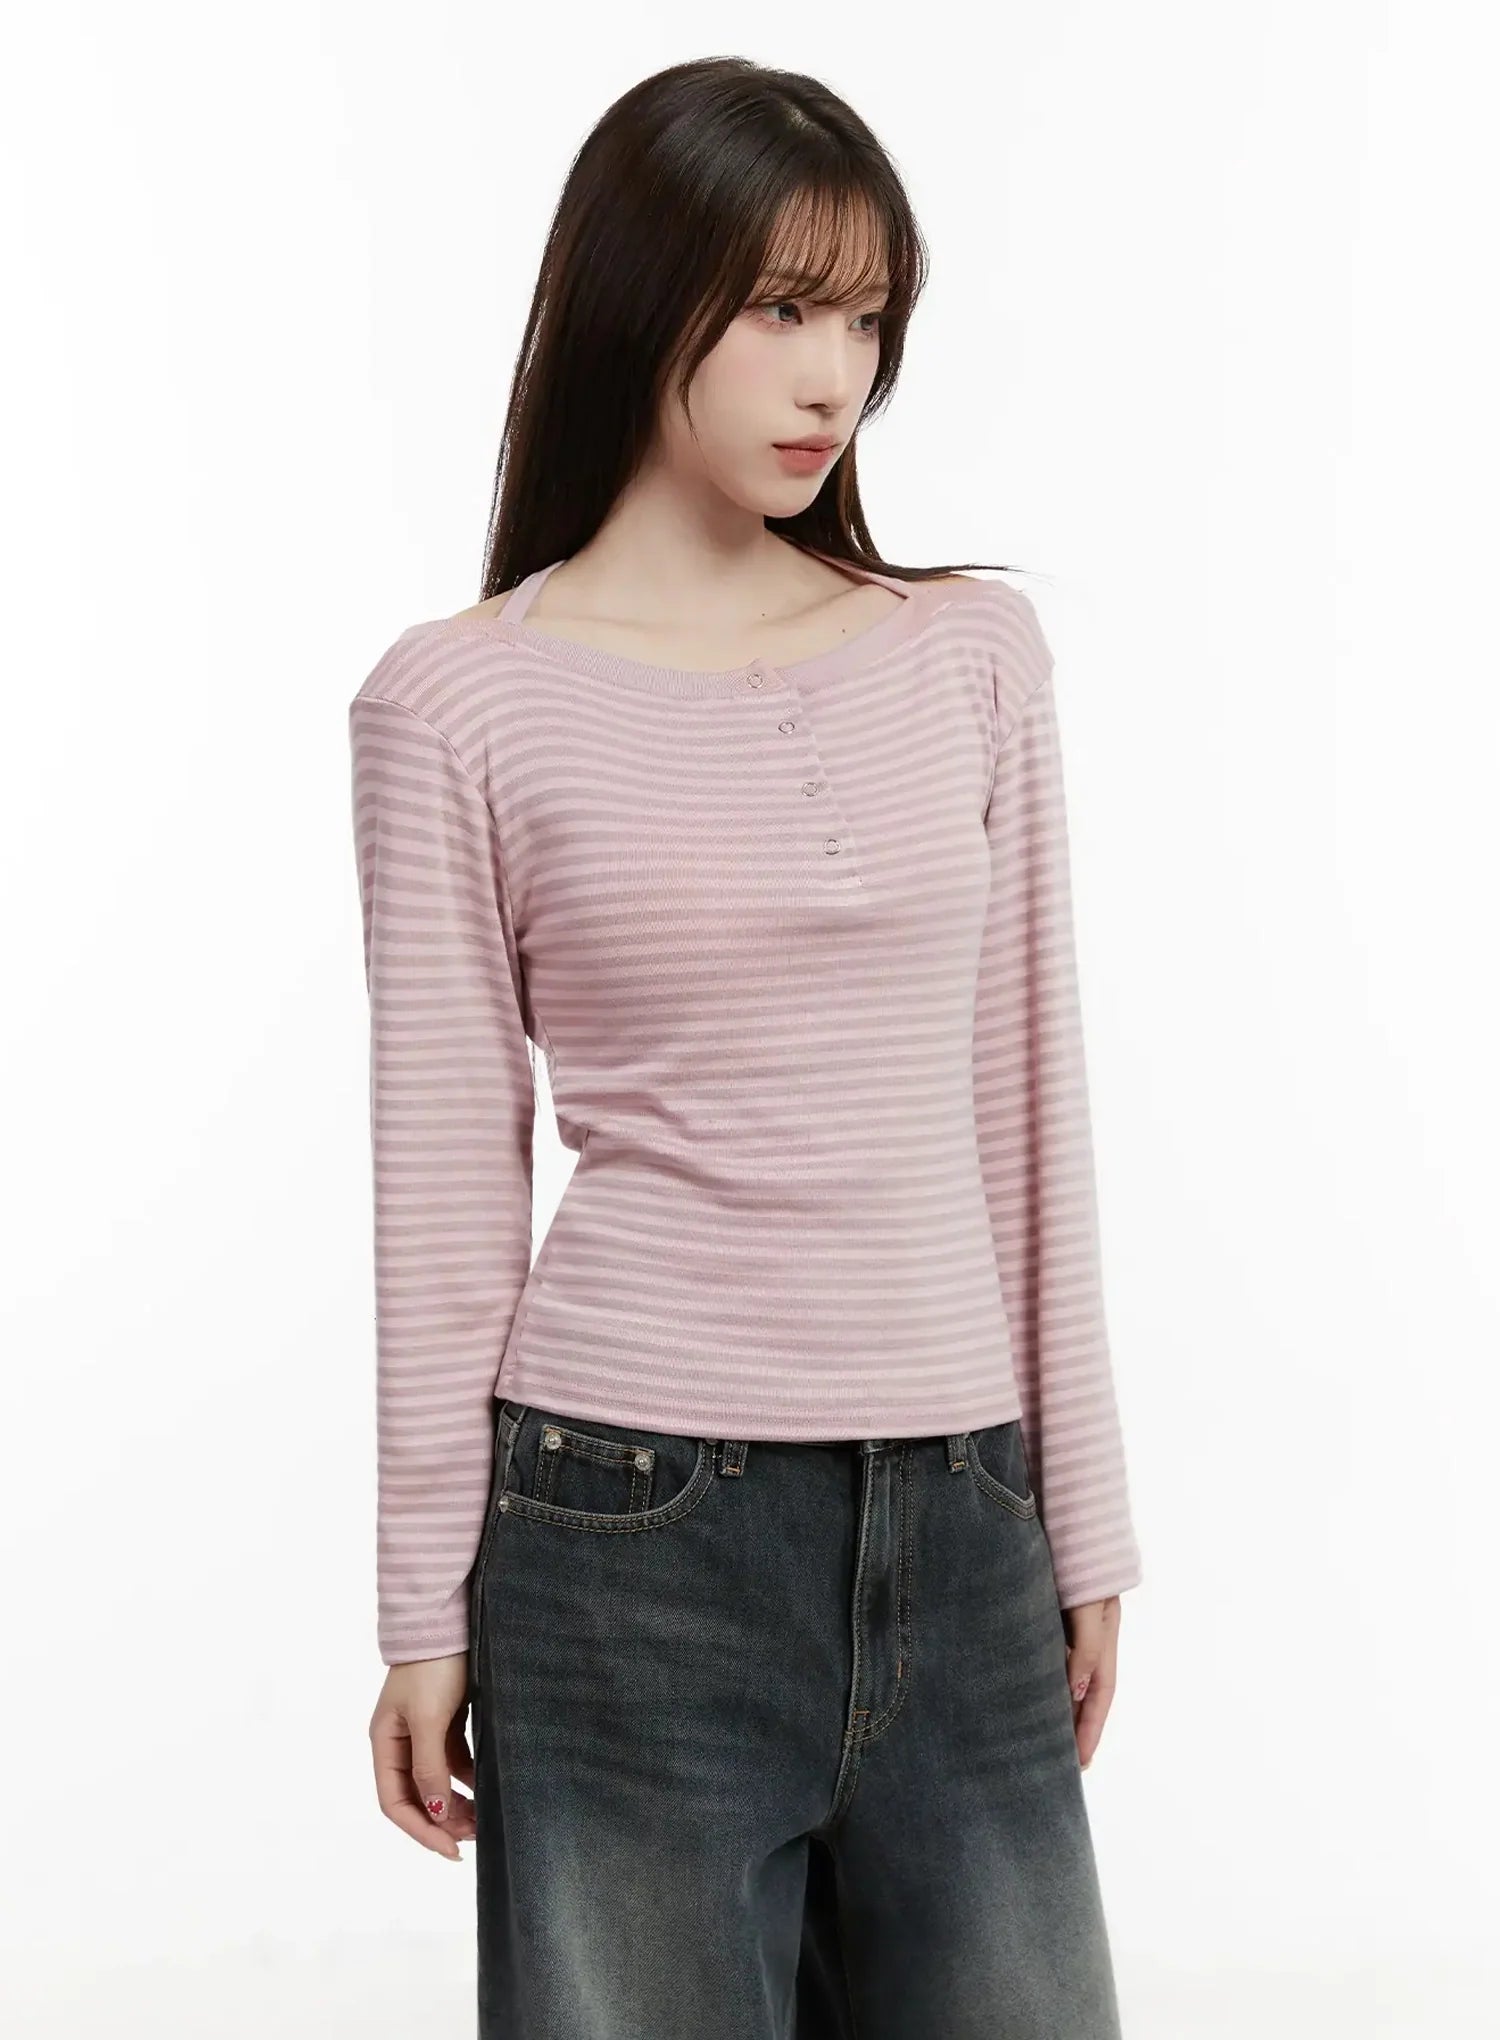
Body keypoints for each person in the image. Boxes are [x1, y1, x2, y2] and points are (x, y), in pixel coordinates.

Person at [347, 53, 1143, 2040]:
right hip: (626, 1539)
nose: (833, 378)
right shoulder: (455, 706)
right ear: (644, 298)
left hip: (962, 1514)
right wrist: (422, 1605)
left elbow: (1027, 1103)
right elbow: (445, 1188)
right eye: (785, 309)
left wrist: (1085, 1514)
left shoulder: (971, 656)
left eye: (866, 320)